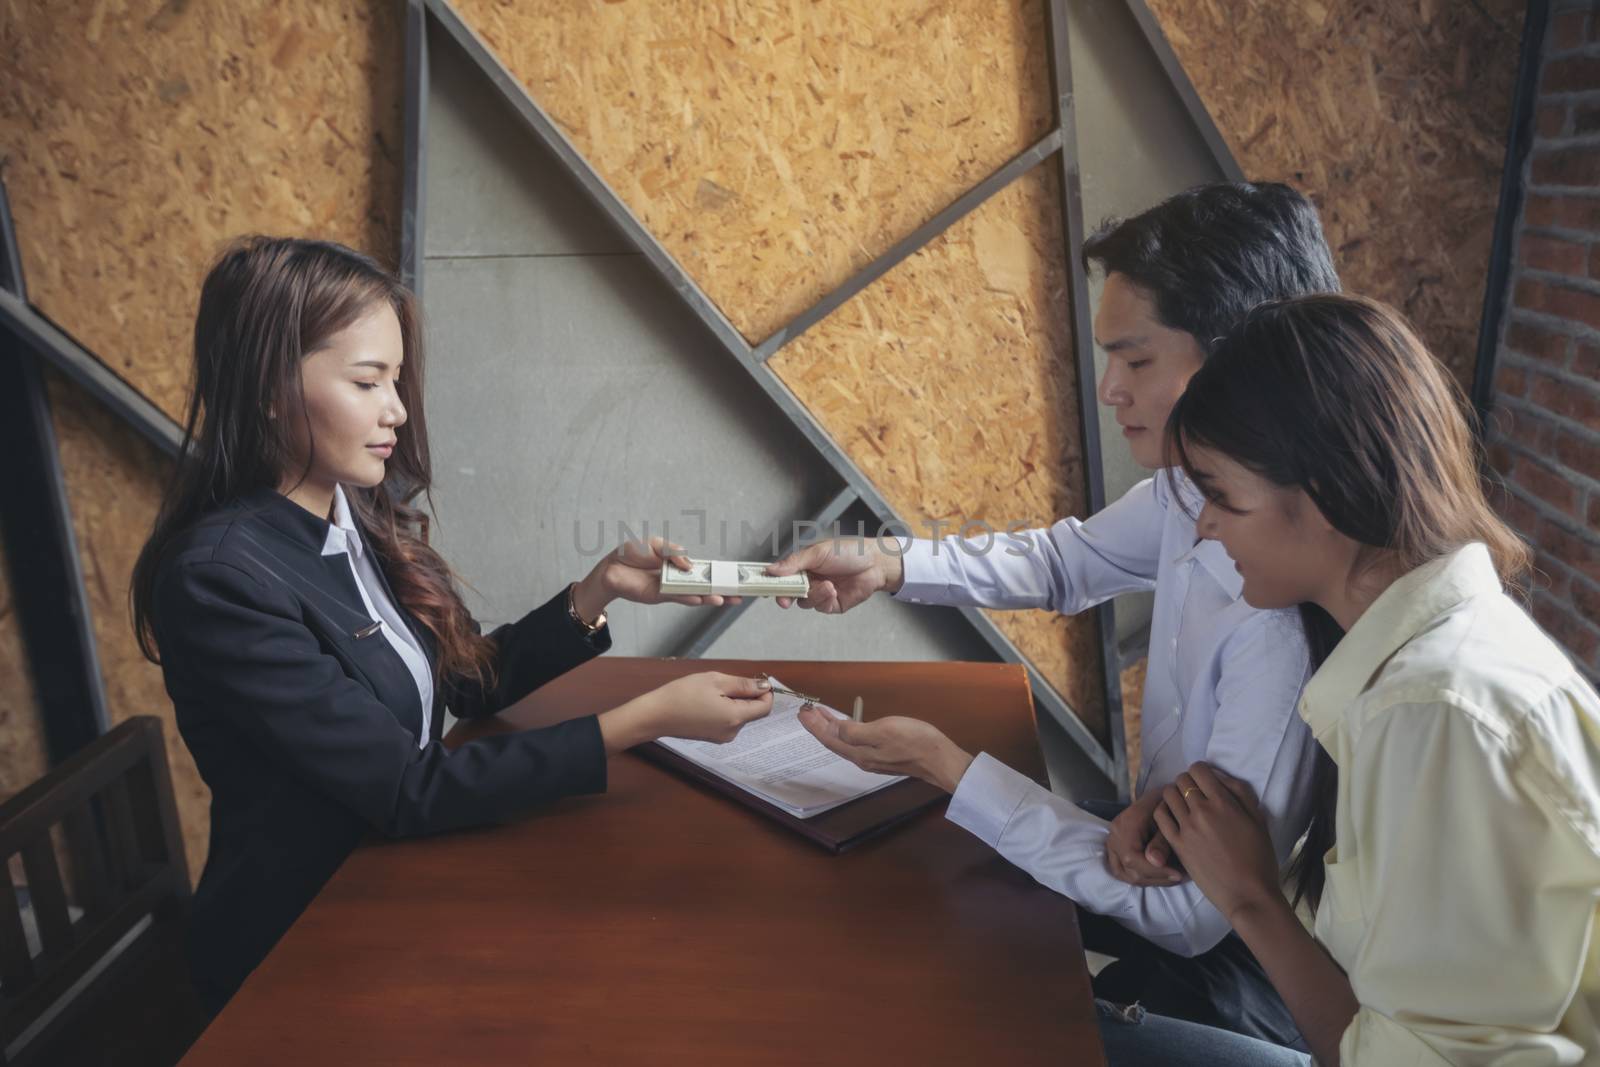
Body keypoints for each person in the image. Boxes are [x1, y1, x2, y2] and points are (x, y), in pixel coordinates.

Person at [130, 236, 773, 1013]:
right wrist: (643, 720)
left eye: (395, 380)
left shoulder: (354, 515)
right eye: (368, 381)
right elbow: (405, 788)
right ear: (269, 388)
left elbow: (462, 683)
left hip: (394, 883)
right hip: (300, 948)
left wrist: (599, 590)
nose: (397, 409)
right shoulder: (220, 578)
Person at [769, 182, 1341, 1050]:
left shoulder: (1284, 628)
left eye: (1138, 360)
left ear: (1240, 360)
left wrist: (954, 768)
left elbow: (1197, 914)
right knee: (921, 876)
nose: (1110, 388)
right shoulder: (1190, 491)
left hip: (1232, 957)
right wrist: (890, 562)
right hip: (1159, 843)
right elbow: (1064, 559)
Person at [1105, 293, 1600, 1064]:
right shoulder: (1412, 666)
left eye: (1221, 495)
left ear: (1326, 494)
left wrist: (1252, 898)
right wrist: (1201, 830)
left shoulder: (1433, 711)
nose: (1203, 525)